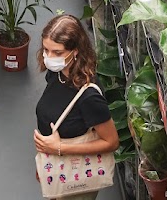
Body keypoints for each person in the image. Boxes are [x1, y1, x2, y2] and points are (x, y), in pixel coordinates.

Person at [33, 15, 120, 200]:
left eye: (57, 52)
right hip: (54, 164)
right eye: (46, 50)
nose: (49, 57)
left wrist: (58, 148)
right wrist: (44, 161)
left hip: (75, 180)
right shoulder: (56, 74)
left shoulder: (89, 96)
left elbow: (111, 142)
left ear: (76, 51)